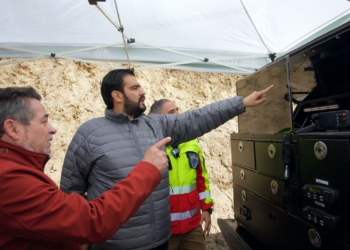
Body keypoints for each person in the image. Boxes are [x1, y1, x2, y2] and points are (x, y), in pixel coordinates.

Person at [60, 69, 273, 250]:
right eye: (134, 88)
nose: (142, 91)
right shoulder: (89, 133)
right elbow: (71, 191)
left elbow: (196, 119)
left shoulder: (156, 125)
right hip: (113, 245)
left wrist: (241, 103)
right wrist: (79, 238)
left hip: (159, 242)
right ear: (117, 95)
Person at [0, 86, 171, 250]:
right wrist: (147, 170)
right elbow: (92, 220)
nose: (52, 129)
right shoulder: (10, 179)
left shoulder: (15, 169)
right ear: (13, 129)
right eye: (44, 121)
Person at [150, 99, 213, 250]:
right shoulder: (152, 147)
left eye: (178, 109)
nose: (179, 114)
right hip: (163, 231)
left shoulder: (192, 143)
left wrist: (206, 208)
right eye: (172, 112)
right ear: (159, 119)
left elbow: (201, 178)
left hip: (192, 226)